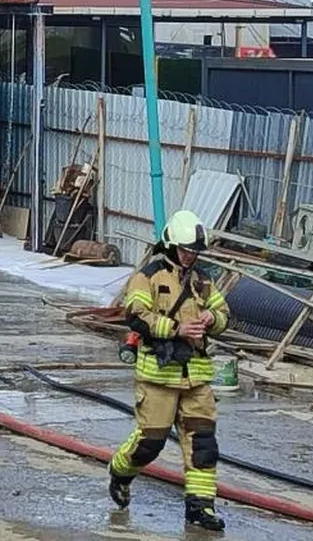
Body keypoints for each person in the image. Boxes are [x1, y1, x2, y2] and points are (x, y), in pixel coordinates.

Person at [108, 209, 230, 532]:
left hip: (196, 378)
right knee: (150, 442)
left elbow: (224, 314)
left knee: (203, 444)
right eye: (186, 249)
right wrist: (176, 329)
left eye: (195, 251)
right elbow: (135, 315)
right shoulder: (147, 276)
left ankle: (200, 508)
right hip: (159, 377)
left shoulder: (203, 281)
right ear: (172, 244)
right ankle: (120, 472)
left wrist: (211, 320)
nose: (191, 256)